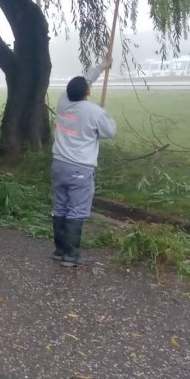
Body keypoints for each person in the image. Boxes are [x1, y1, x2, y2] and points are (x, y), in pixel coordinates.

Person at [51, 59, 117, 266]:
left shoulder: (63, 100)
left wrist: (101, 67)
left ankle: (59, 250)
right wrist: (103, 112)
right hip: (79, 169)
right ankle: (71, 256)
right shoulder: (94, 112)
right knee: (77, 210)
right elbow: (109, 132)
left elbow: (84, 80)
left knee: (60, 206)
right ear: (87, 93)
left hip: (58, 165)